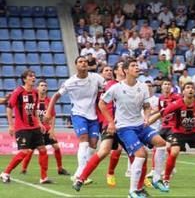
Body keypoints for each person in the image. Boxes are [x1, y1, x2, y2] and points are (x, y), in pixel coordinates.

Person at [74, 59, 168, 197]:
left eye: (137, 65)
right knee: (110, 152)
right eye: (133, 66)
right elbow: (101, 103)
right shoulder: (115, 87)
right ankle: (82, 179)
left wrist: (147, 117)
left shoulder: (142, 86)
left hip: (138, 125)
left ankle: (153, 180)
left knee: (159, 144)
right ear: (124, 70)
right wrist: (110, 122)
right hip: (122, 127)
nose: (137, 67)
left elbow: (146, 106)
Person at [149, 82, 195, 189]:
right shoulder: (176, 104)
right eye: (187, 87)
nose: (190, 89)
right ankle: (166, 179)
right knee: (174, 151)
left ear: (194, 91)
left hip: (193, 133)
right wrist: (147, 123)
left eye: (192, 87)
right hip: (178, 132)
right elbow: (161, 113)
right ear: (183, 91)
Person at [44, 56, 105, 185]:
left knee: (93, 144)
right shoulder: (70, 82)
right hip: (78, 114)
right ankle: (81, 175)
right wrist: (49, 111)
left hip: (93, 116)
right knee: (83, 141)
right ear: (76, 65)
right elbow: (56, 96)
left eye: (85, 62)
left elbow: (107, 88)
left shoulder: (96, 78)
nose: (83, 64)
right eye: (80, 62)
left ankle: (80, 172)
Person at [0, 69, 52, 184]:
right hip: (22, 128)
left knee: (43, 150)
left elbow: (34, 110)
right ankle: (6, 172)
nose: (33, 78)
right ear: (24, 79)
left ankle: (44, 177)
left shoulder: (35, 93)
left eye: (34, 76)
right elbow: (9, 107)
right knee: (24, 152)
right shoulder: (18, 92)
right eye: (30, 76)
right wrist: (11, 125)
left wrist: (39, 123)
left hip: (34, 127)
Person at [20, 79, 70, 176]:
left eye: (45, 86)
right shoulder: (33, 99)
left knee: (56, 146)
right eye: (42, 85)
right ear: (37, 87)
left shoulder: (49, 101)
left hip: (47, 129)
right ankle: (24, 168)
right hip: (36, 129)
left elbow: (53, 115)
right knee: (30, 150)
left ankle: (60, 169)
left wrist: (52, 130)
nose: (43, 87)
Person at [145, 79, 181, 184]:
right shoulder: (160, 98)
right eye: (165, 84)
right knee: (157, 145)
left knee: (170, 147)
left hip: (174, 126)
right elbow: (162, 111)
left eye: (169, 84)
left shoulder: (177, 97)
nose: (167, 86)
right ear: (162, 86)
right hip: (164, 126)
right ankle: (153, 169)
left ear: (171, 86)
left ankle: (171, 167)